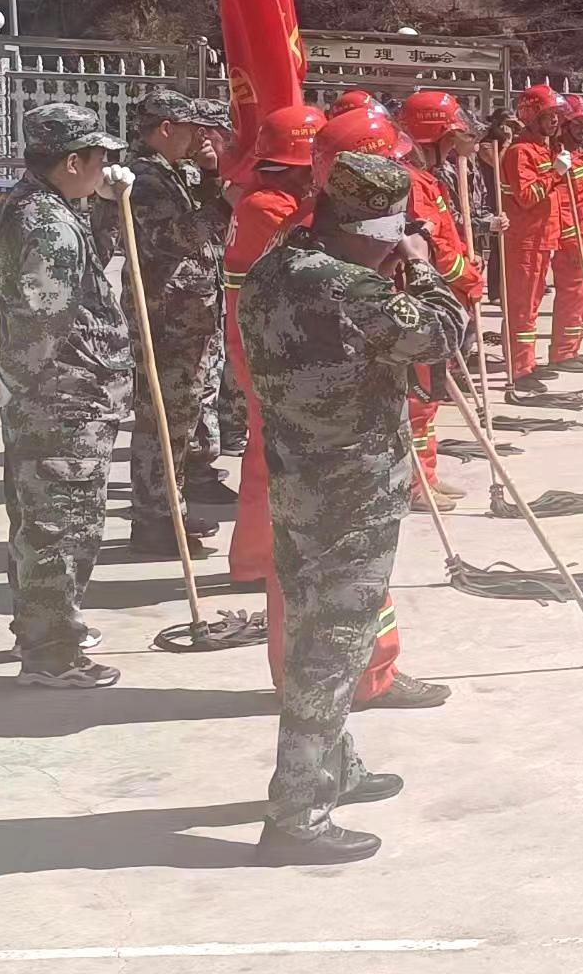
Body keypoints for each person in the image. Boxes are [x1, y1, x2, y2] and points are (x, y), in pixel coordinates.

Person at [240, 152, 472, 865]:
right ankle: (297, 815)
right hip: (350, 489)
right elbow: (444, 331)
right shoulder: (349, 288)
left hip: (299, 477)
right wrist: (423, 268)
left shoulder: (276, 268)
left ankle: (334, 766)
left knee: (317, 627)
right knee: (332, 645)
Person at [0, 104, 134, 688]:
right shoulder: (48, 224)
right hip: (64, 397)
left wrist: (106, 203)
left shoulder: (41, 205)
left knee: (38, 520)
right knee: (62, 526)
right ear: (72, 161)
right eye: (99, 158)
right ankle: (53, 653)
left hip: (56, 392)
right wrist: (16, 373)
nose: (105, 167)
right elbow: (44, 316)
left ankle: (41, 630)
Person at [107, 90, 233, 559]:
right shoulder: (144, 178)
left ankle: (171, 508)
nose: (197, 138)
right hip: (165, 318)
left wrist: (213, 178)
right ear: (165, 129)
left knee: (181, 420)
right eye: (189, 129)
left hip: (187, 316)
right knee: (161, 421)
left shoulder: (170, 171)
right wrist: (225, 204)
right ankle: (154, 521)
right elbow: (174, 238)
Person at [221, 105, 323, 591]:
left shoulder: (273, 199)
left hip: (270, 339)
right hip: (265, 346)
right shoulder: (267, 206)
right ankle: (255, 562)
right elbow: (313, 251)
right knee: (269, 456)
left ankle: (264, 557)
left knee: (275, 452)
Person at [396, 90, 492, 512]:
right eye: (450, 138)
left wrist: (467, 265)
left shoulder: (428, 178)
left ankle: (427, 475)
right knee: (418, 399)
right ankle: (414, 484)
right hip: (424, 302)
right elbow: (434, 252)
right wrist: (467, 277)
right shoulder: (411, 183)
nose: (455, 147)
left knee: (430, 397)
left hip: (441, 303)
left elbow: (448, 238)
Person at [499, 86, 566, 388]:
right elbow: (527, 197)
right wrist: (555, 173)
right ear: (532, 117)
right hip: (524, 240)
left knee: (532, 304)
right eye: (549, 116)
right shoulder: (520, 153)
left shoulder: (543, 150)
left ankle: (527, 362)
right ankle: (519, 369)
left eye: (556, 116)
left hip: (540, 239)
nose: (555, 121)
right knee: (522, 306)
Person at [547, 97, 583, 373]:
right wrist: (571, 239)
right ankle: (561, 353)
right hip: (574, 240)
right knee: (572, 296)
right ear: (565, 125)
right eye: (579, 124)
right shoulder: (561, 159)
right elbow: (562, 203)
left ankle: (573, 348)